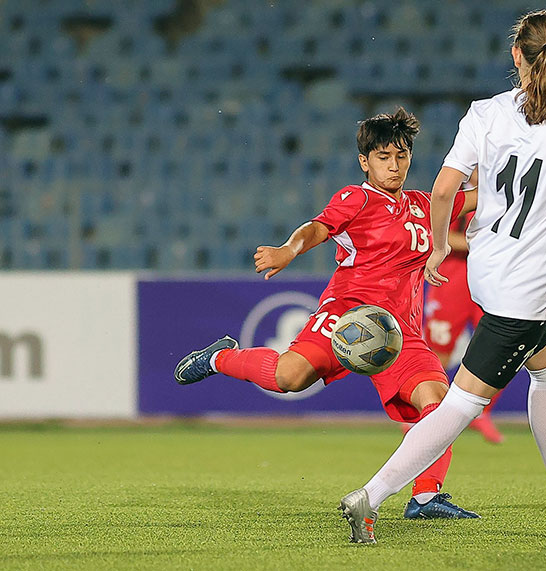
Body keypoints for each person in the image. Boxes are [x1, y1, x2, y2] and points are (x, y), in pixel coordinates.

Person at [340, 10, 546, 544]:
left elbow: (443, 190)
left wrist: (442, 244)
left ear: (515, 55)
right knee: (459, 407)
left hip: (488, 276)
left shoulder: (484, 113)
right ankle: (369, 497)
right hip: (526, 294)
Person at [174, 108, 482, 522]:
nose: (394, 166)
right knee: (289, 378)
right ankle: (220, 357)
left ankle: (426, 498)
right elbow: (316, 228)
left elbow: (484, 193)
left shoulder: (425, 204)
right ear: (365, 162)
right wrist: (288, 249)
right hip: (347, 317)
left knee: (438, 403)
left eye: (402, 156)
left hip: (398, 332)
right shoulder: (356, 198)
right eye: (384, 157)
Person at [423, 207, 504, 444]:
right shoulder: (455, 191)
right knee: (438, 353)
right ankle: (425, 416)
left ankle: (481, 413)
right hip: (452, 277)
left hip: (491, 278)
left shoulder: (504, 190)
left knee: (502, 350)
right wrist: (484, 243)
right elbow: (438, 234)